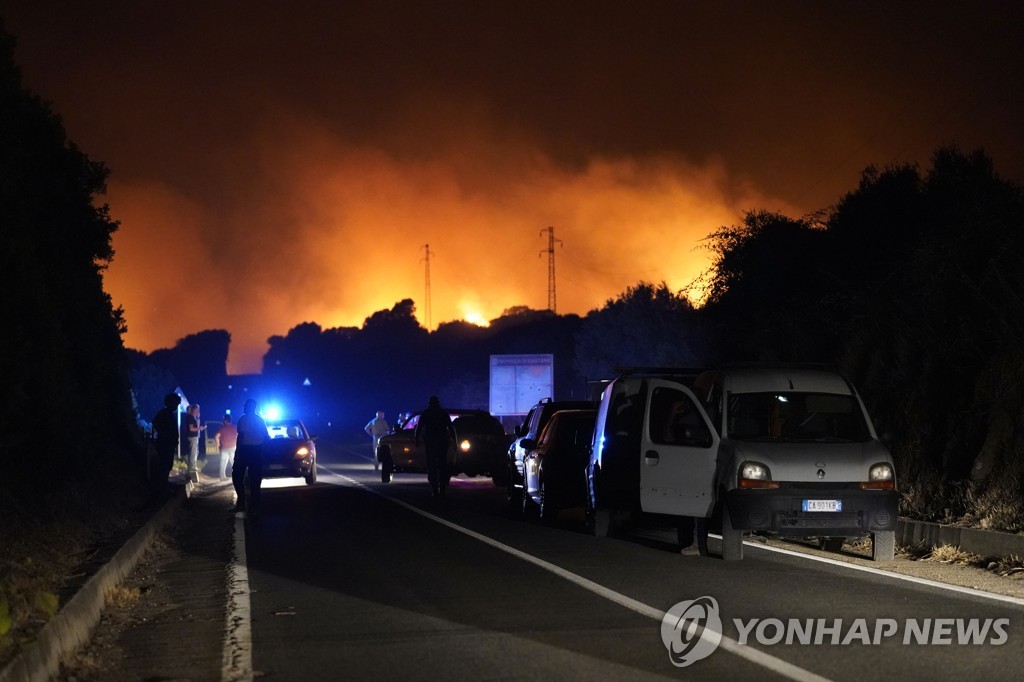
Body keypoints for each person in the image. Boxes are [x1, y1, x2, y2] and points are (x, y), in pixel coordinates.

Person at [414, 395, 456, 498]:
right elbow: (451, 427)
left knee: (432, 466)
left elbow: (419, 427)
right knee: (442, 466)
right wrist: (455, 440)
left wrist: (416, 439)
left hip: (430, 442)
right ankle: (442, 490)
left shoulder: (426, 413)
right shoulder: (443, 413)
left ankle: (435, 490)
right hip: (442, 442)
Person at [232, 398, 268, 516]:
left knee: (237, 476)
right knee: (255, 481)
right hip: (256, 452)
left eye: (245, 406)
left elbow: (240, 437)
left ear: (248, 407)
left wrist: (237, 453)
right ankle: (254, 506)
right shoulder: (260, 420)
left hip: (245, 450)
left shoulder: (242, 419)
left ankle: (242, 502)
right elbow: (266, 436)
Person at [150, 393, 181, 499]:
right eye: (175, 403)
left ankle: (163, 488)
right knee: (163, 466)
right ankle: (160, 490)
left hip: (169, 444)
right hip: (164, 444)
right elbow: (155, 422)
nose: (176, 406)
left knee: (168, 466)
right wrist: (163, 433)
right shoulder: (164, 413)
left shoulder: (171, 414)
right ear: (169, 402)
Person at [182, 403, 204, 481]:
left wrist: (198, 418)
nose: (198, 411)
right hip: (192, 436)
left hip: (195, 436)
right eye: (197, 409)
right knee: (193, 452)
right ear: (194, 409)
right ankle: (192, 467)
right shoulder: (190, 417)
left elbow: (196, 425)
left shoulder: (193, 417)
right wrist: (199, 429)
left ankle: (193, 466)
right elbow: (191, 429)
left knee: (195, 452)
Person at [216, 414, 238, 480]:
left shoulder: (222, 428)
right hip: (233, 447)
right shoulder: (234, 428)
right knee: (233, 462)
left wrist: (218, 444)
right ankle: (236, 476)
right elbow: (238, 436)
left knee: (223, 462)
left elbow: (216, 437)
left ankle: (222, 477)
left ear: (225, 421)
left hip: (224, 448)